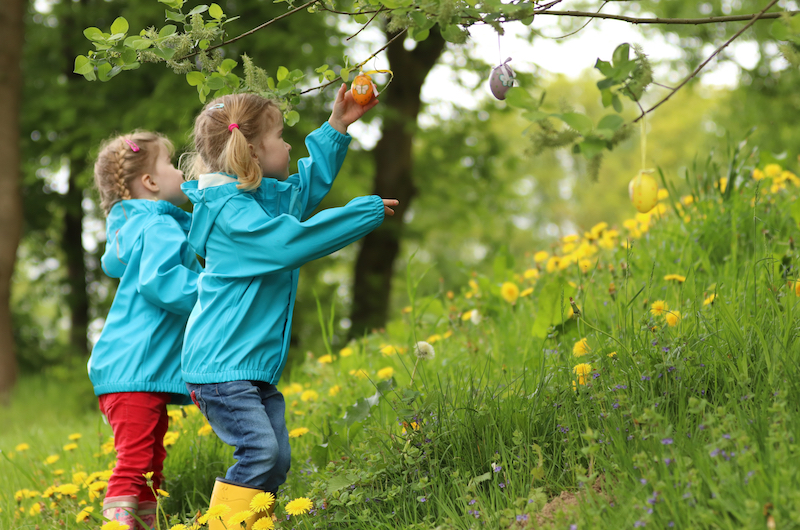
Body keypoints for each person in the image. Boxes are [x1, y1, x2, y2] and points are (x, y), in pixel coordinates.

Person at [181, 85, 396, 529]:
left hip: (246, 367)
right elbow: (288, 242)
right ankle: (222, 525)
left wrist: (336, 127)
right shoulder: (233, 218)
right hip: (222, 368)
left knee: (276, 462)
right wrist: (362, 213)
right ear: (253, 154)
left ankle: (251, 523)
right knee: (261, 452)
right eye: (280, 138)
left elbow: (299, 193)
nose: (287, 145)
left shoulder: (254, 202)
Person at [88, 131, 202, 530]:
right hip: (132, 370)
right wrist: (209, 290)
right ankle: (117, 524)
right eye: (171, 164)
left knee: (151, 460)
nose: (179, 171)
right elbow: (161, 281)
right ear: (150, 183)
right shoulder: (158, 228)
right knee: (135, 462)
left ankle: (143, 523)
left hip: (131, 370)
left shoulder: (140, 229)